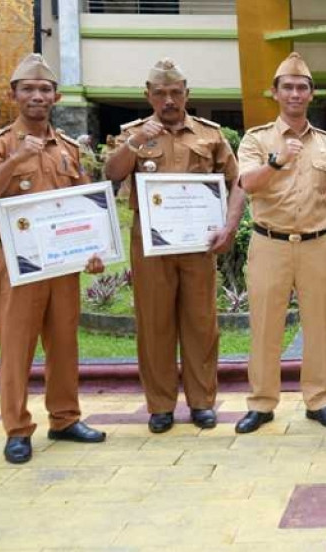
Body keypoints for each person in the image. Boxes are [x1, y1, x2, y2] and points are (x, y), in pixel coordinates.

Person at [0, 53, 107, 464]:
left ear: (56, 97)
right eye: (28, 89)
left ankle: (65, 418)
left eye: (44, 89)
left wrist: (94, 249)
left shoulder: (68, 148)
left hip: (62, 265)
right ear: (13, 95)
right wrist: (16, 159)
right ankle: (16, 429)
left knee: (64, 345)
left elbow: (85, 203)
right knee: (16, 350)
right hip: (18, 265)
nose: (37, 96)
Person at [103, 58, 245, 433]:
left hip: (199, 244)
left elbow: (238, 182)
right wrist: (135, 142)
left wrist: (229, 227)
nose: (168, 100)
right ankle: (161, 405)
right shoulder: (133, 134)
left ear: (187, 94)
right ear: (148, 95)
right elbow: (112, 173)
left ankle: (202, 402)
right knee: (154, 324)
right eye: (160, 93)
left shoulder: (210, 135)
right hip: (151, 246)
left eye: (175, 93)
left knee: (201, 323)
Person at [234, 52, 326, 434]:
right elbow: (247, 183)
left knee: (318, 326)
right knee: (265, 325)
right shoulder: (256, 139)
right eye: (288, 87)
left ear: (311, 94)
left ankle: (319, 401)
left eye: (302, 87)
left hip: (316, 243)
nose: (295, 94)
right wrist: (277, 161)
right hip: (270, 242)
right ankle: (262, 403)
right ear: (275, 92)